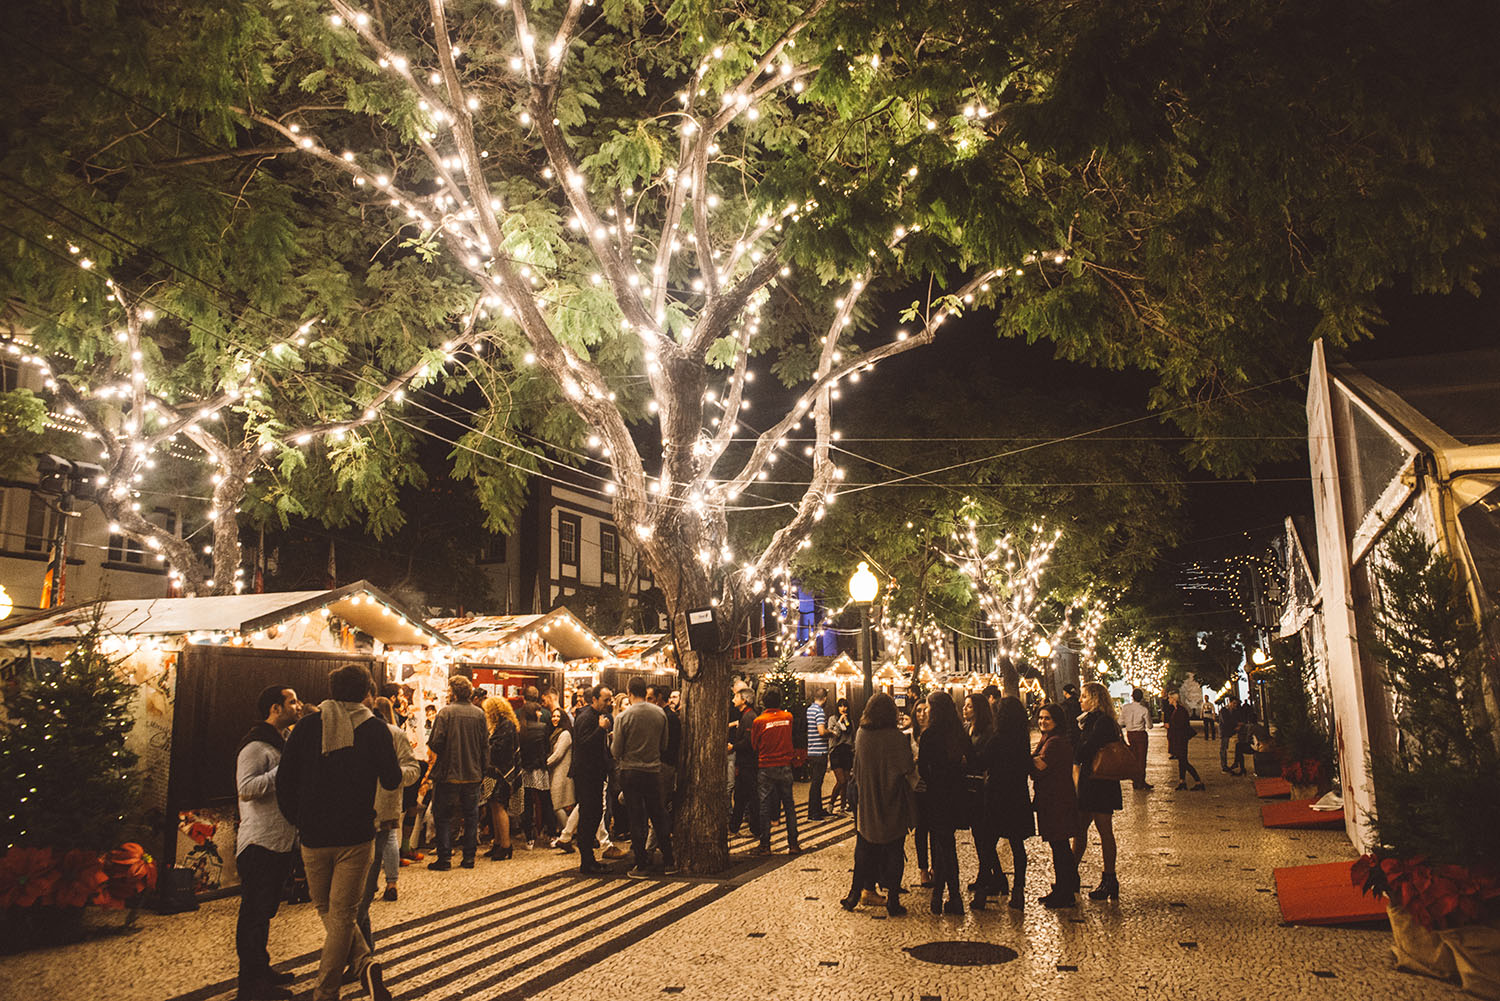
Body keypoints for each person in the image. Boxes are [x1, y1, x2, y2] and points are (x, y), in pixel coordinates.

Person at [275, 665, 400, 1001]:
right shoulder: (375, 729)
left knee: (326, 908)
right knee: (342, 912)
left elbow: (284, 780)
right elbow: (391, 780)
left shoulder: (307, 726)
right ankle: (343, 979)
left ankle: (351, 972)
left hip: (314, 834)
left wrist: (298, 819)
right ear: (366, 692)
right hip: (356, 834)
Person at [234, 685, 302, 1001]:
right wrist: (283, 771)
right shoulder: (255, 747)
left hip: (280, 839)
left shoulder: (281, 741)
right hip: (259, 840)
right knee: (254, 915)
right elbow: (246, 788)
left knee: (266, 912)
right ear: (275, 709)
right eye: (292, 701)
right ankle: (250, 986)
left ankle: (261, 969)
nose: (298, 706)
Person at [839, 693, 914, 916]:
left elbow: (857, 765)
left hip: (867, 799)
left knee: (863, 849)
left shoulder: (862, 734)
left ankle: (854, 894)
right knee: (894, 850)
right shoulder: (897, 737)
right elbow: (906, 767)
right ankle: (892, 899)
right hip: (892, 800)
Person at [356, 697, 420, 948]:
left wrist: (390, 775)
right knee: (349, 893)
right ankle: (360, 950)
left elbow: (412, 769)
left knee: (365, 884)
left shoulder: (392, 733)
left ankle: (361, 952)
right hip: (346, 814)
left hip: (380, 811)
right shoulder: (333, 729)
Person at [612, 677, 675, 877]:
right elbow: (665, 744)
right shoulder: (659, 714)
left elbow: (616, 750)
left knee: (637, 818)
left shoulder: (623, 717)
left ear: (629, 692)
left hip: (630, 771)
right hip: (653, 770)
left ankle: (641, 864)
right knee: (658, 815)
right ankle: (669, 860)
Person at [425, 675, 488, 871]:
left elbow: (436, 742)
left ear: (453, 692)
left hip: (448, 773)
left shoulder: (445, 713)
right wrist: (482, 770)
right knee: (471, 816)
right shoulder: (479, 715)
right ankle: (469, 858)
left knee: (443, 815)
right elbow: (485, 746)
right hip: (473, 773)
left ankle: (444, 858)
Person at [917, 691, 969, 915]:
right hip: (956, 794)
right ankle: (944, 896)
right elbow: (973, 760)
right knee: (945, 845)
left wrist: (934, 780)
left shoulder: (930, 735)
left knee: (943, 845)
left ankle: (948, 897)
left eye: (928, 707)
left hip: (937, 796)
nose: (925, 710)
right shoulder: (959, 732)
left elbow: (923, 769)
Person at [1072, 682, 1123, 902]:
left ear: (1095, 698)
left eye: (1084, 696)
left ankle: (1109, 878)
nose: (1079, 700)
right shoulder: (1092, 721)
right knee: (1080, 828)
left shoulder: (1100, 722)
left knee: (1104, 830)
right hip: (1091, 782)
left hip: (1100, 782)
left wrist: (1076, 748)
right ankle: (1070, 874)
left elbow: (1085, 750)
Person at [1032, 704, 1079, 908]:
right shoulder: (1047, 739)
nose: (1043, 721)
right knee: (1058, 846)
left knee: (1060, 846)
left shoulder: (1055, 743)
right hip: (1052, 798)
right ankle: (1063, 887)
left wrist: (1030, 761)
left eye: (1047, 718)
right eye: (1041, 718)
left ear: (1057, 721)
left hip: (1057, 800)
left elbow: (1040, 766)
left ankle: (1065, 891)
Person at [751, 686, 800, 856]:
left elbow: (754, 744)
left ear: (764, 702)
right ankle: (793, 844)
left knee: (765, 806)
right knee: (789, 806)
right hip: (785, 765)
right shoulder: (788, 718)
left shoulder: (759, 721)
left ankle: (765, 845)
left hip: (766, 766)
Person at [570, 685, 613, 874]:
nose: (609, 703)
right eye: (606, 699)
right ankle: (586, 861)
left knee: (594, 815)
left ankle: (589, 859)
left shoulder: (595, 716)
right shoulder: (586, 717)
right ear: (594, 699)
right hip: (586, 774)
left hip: (594, 773)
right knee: (589, 816)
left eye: (610, 699)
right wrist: (602, 730)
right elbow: (584, 744)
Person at [482, 696, 519, 861]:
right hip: (494, 772)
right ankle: (498, 843)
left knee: (499, 806)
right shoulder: (504, 725)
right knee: (493, 806)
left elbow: (499, 750)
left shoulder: (506, 726)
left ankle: (505, 845)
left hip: (501, 773)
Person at [519, 703, 555, 847]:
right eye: (538, 711)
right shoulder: (542, 728)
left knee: (527, 804)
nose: (541, 714)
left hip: (525, 769)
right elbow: (546, 747)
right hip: (539, 768)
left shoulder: (521, 729)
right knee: (546, 801)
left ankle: (529, 837)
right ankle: (552, 834)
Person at [728, 688, 760, 836]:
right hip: (744, 764)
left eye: (736, 696)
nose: (733, 699)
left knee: (749, 796)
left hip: (748, 764)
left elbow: (748, 742)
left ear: (744, 700)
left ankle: (754, 827)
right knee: (741, 796)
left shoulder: (749, 717)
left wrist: (733, 746)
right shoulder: (745, 716)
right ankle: (735, 826)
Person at [1166, 690, 1207, 791]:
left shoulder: (1180, 710)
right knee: (1181, 761)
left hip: (1181, 739)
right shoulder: (1177, 709)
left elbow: (1181, 725)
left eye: (1169, 698)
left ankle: (1198, 781)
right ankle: (1182, 781)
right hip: (1179, 738)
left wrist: (1170, 726)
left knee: (1184, 762)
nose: (1168, 700)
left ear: (1174, 699)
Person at [547, 707, 576, 836]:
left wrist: (545, 763)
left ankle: (568, 832)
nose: (555, 718)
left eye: (558, 716)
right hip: (557, 772)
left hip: (562, 773)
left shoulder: (565, 734)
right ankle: (567, 831)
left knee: (557, 804)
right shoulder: (557, 733)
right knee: (561, 804)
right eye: (553, 716)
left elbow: (558, 754)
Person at [1120, 688, 1154, 790]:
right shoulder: (1144, 710)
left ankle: (1135, 781)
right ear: (1142, 698)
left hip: (1130, 734)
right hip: (1140, 734)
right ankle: (1141, 781)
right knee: (1141, 758)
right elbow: (1150, 726)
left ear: (1132, 696)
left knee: (1133, 758)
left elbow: (1120, 722)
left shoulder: (1125, 708)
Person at [805, 687, 830, 820]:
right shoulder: (820, 712)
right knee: (817, 782)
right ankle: (813, 812)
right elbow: (821, 731)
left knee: (816, 782)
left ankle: (817, 809)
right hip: (820, 751)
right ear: (824, 698)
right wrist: (830, 732)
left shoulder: (809, 710)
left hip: (811, 750)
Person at [827, 697, 854, 815]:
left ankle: (843, 807)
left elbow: (851, 737)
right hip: (836, 752)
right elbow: (835, 735)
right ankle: (831, 804)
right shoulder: (832, 719)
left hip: (847, 752)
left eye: (845, 706)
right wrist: (840, 722)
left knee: (847, 780)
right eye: (841, 706)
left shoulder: (850, 721)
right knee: (841, 780)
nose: (843, 708)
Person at [1219, 695, 1241, 773]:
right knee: (1223, 749)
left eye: (1236, 704)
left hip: (1232, 732)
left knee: (1237, 747)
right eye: (1234, 703)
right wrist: (1235, 725)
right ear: (1230, 702)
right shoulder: (1223, 710)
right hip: (1225, 732)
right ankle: (1224, 766)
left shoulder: (1235, 711)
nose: (1235, 705)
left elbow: (1236, 719)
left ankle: (1235, 763)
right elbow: (1226, 722)